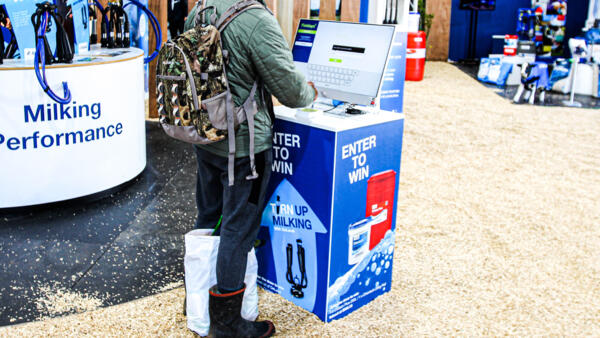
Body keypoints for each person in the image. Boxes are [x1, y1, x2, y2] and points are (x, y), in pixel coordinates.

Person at [184, 0, 318, 337]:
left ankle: (198, 302)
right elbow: (291, 91)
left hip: (206, 137)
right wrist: (311, 91)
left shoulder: (200, 10)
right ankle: (226, 323)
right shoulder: (257, 21)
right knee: (237, 230)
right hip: (244, 149)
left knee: (208, 217)